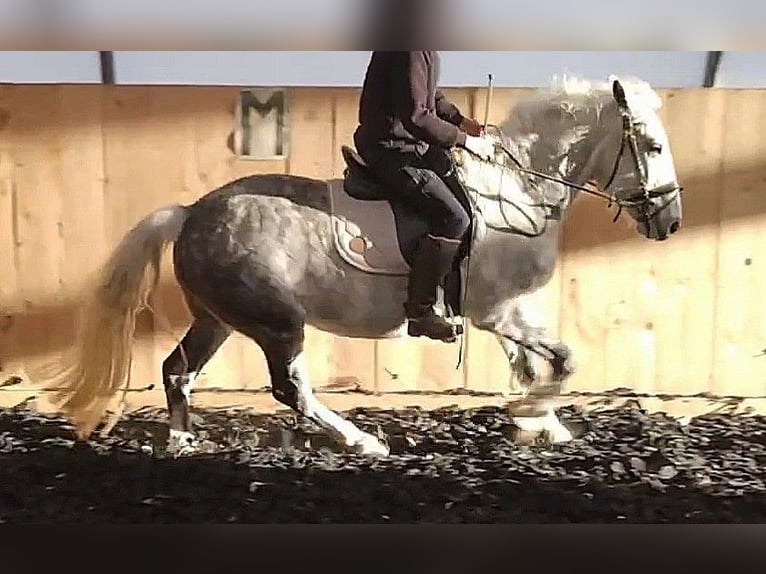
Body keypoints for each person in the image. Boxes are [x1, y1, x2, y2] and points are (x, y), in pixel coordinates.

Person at [353, 51, 495, 342]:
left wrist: (462, 121)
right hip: (391, 149)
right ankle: (420, 311)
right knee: (454, 217)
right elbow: (417, 115)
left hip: (409, 145)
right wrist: (464, 141)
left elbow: (430, 96)